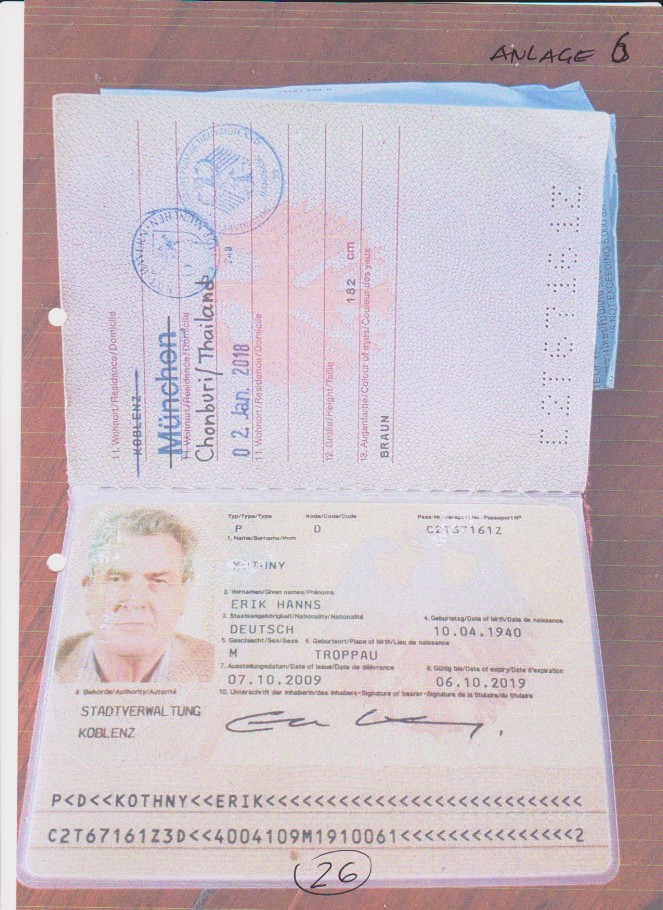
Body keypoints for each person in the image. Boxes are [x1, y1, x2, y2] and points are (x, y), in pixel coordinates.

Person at [55, 509, 214, 684]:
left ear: (184, 592)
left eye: (159, 581)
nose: (135, 601)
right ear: (89, 589)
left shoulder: (215, 666)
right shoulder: (50, 661)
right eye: (115, 579)